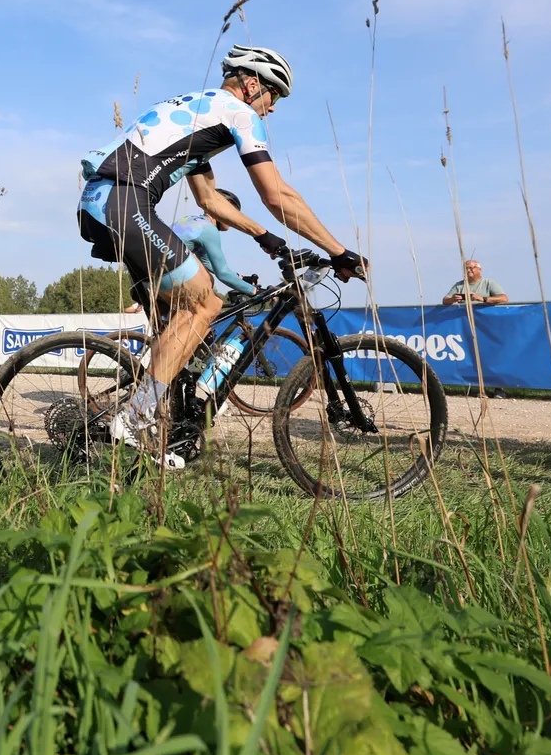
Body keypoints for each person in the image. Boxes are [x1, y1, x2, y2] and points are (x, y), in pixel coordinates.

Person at [78, 46, 367, 468]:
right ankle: (134, 419)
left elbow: (209, 199)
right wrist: (338, 250)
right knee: (207, 301)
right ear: (252, 85)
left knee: (179, 321)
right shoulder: (238, 112)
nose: (270, 110)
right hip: (124, 201)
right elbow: (277, 194)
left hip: (104, 202)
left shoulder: (199, 112)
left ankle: (157, 427)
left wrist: (265, 237)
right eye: (273, 98)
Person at [171, 189, 260, 299]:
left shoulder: (191, 221)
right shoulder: (208, 229)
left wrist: (242, 279)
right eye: (234, 213)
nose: (235, 220)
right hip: (166, 273)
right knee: (211, 295)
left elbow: (208, 263)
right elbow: (222, 273)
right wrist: (255, 291)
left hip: (154, 271)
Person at [443, 260, 508, 306]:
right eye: (466, 268)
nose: (468, 270)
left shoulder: (489, 283)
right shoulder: (459, 285)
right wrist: (452, 299)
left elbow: (504, 298)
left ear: (479, 270)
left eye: (471, 268)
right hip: (464, 320)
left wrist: (482, 299)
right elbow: (445, 300)